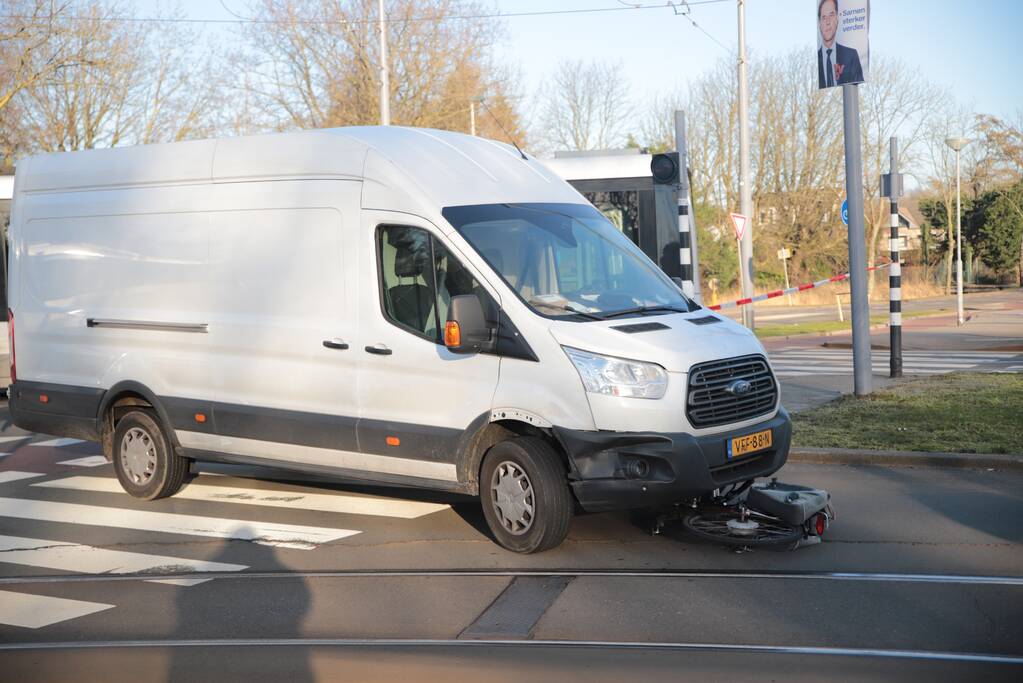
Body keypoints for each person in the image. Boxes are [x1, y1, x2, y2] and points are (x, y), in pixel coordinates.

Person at [817, 0, 863, 88]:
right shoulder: (815, 61)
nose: (828, 22)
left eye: (831, 15)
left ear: (837, 19)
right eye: (823, 17)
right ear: (819, 23)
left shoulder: (851, 56)